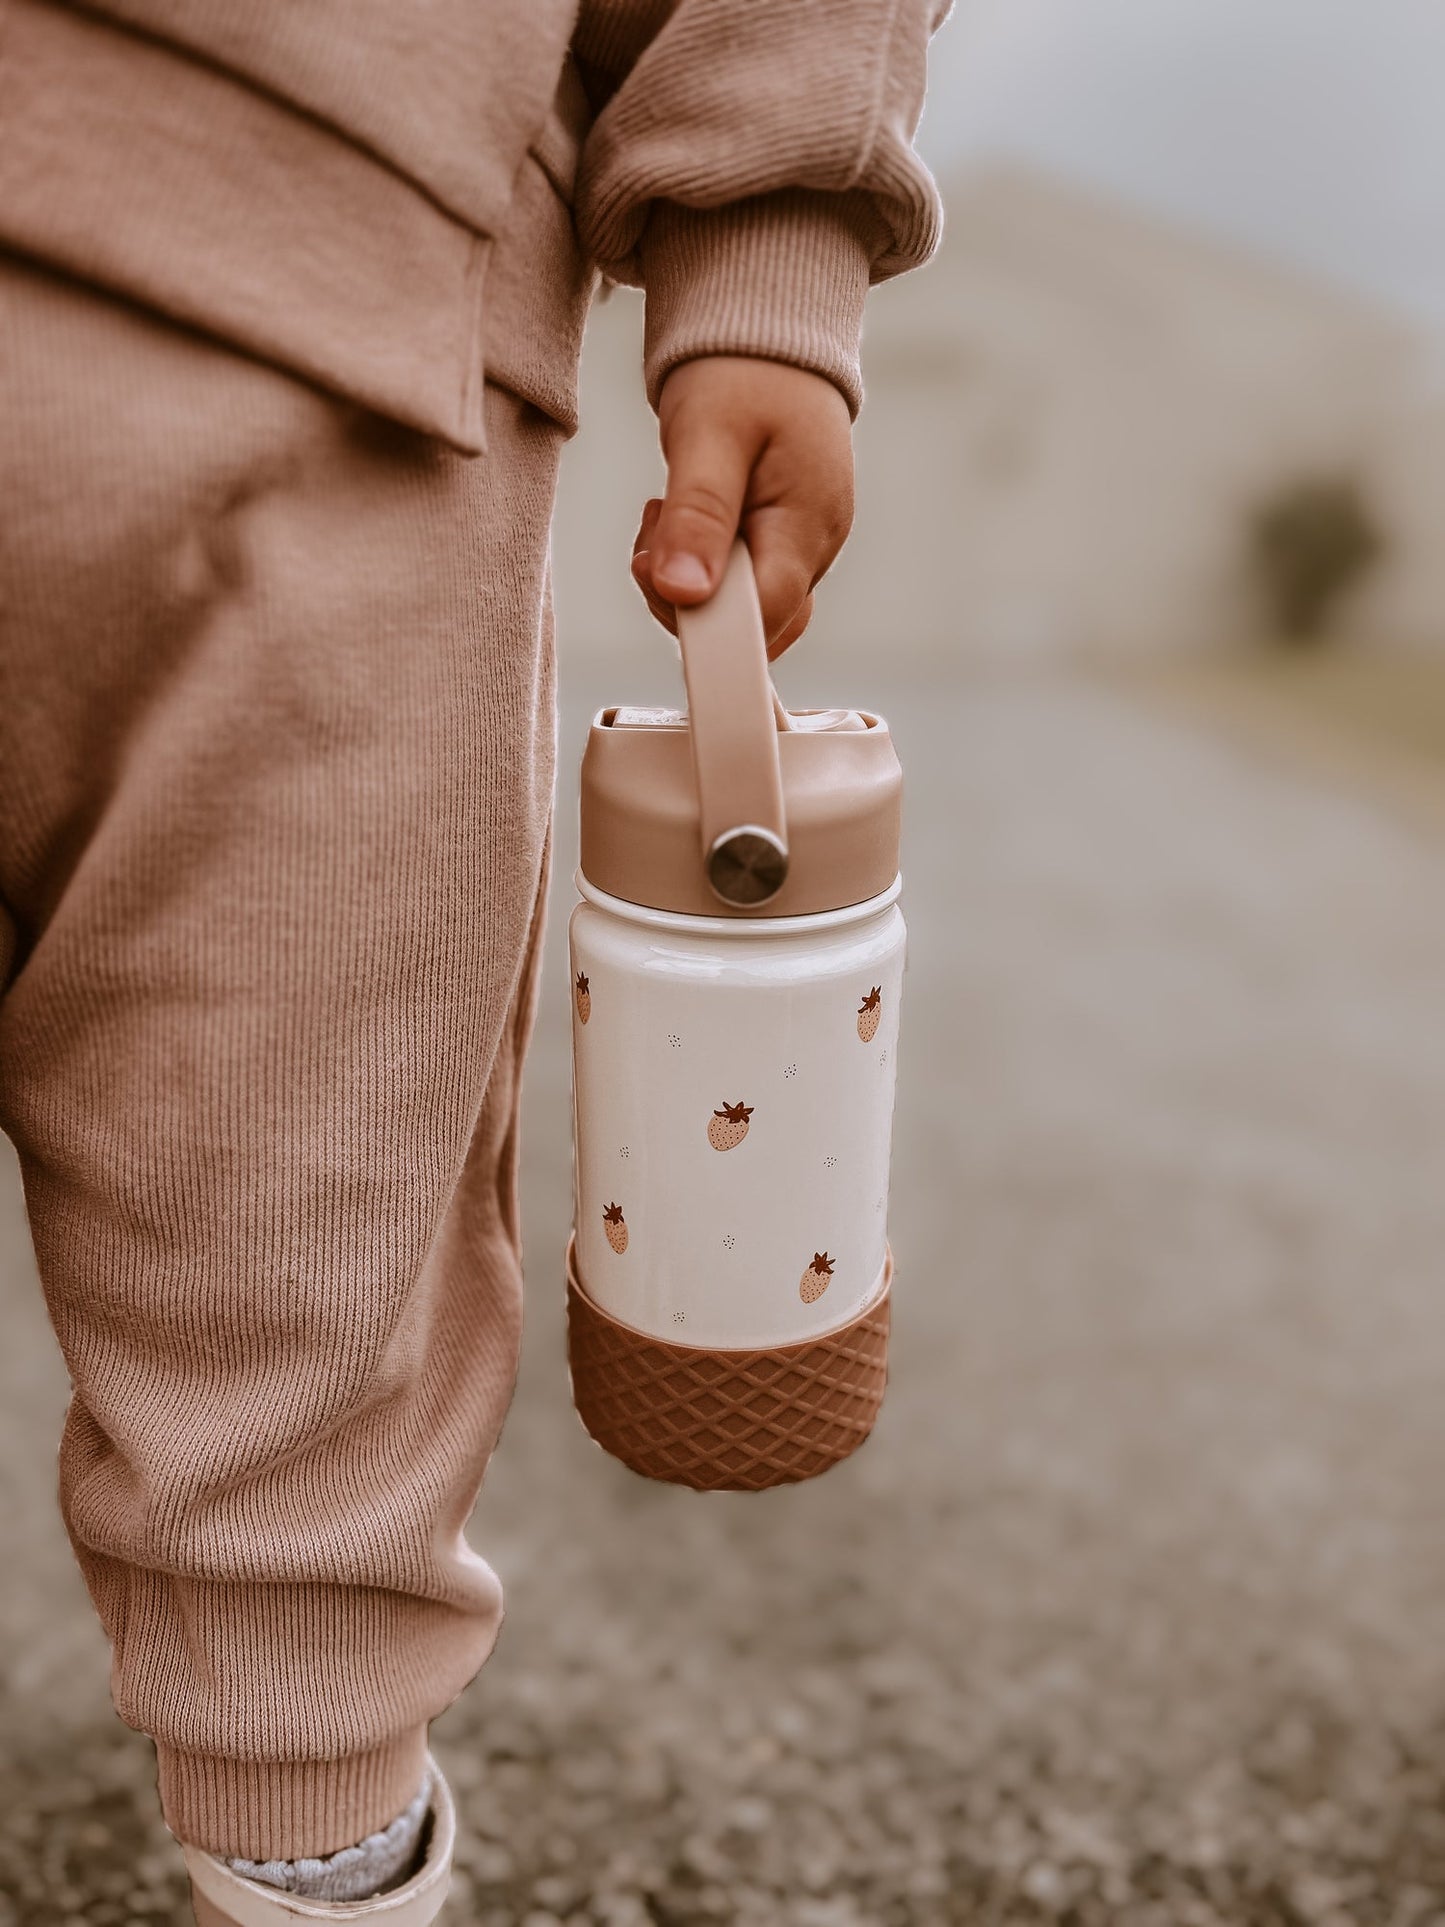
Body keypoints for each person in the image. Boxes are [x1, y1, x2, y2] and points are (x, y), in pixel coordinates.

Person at [0, 1, 946, 1918]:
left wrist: (759, 264)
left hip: (339, 310)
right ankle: (314, 1838)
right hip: (348, 303)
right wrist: (763, 255)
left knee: (306, 1229)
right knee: (302, 1255)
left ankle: (310, 1820)